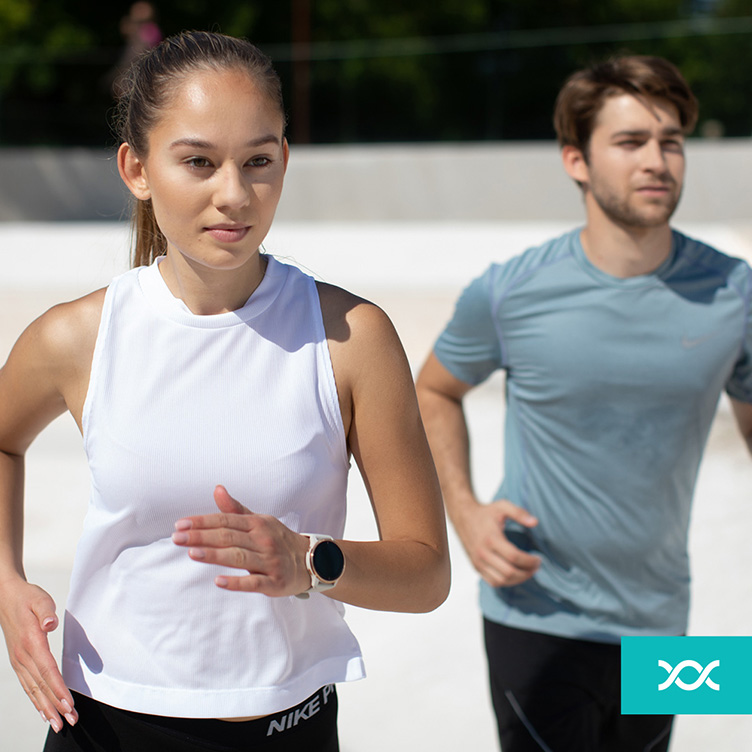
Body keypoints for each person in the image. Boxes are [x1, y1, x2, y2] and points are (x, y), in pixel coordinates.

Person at [0, 31, 450, 752]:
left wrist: (308, 563)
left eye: (258, 161)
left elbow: (426, 572)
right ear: (137, 169)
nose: (234, 194)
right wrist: (5, 581)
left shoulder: (351, 336)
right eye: (199, 162)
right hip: (104, 727)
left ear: (283, 163)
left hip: (288, 728)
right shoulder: (79, 336)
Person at [416, 55, 752, 752]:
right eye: (630, 142)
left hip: (662, 622)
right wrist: (466, 513)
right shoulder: (510, 292)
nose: (657, 160)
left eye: (670, 141)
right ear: (576, 160)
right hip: (536, 617)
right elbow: (434, 389)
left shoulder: (733, 294)